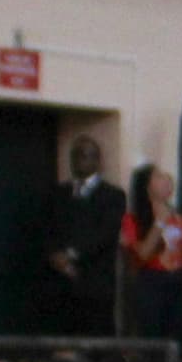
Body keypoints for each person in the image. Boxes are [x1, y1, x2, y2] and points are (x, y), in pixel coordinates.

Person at [46, 135, 125, 333]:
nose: (79, 160)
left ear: (97, 160)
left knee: (96, 335)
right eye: (75, 155)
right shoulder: (59, 193)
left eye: (85, 155)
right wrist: (56, 256)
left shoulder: (112, 195)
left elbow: (105, 234)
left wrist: (71, 255)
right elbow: (49, 228)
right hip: (61, 284)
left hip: (95, 282)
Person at [118, 163, 182, 343]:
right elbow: (142, 254)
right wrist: (160, 222)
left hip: (178, 281)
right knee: (152, 337)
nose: (167, 180)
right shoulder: (133, 219)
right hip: (151, 281)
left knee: (178, 337)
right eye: (159, 176)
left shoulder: (180, 217)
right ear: (146, 186)